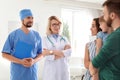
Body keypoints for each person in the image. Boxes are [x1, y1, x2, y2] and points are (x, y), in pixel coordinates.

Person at [2, 9, 43, 80]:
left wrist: (34, 61)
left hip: (32, 73)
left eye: (32, 18)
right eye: (28, 18)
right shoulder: (13, 35)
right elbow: (4, 54)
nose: (31, 20)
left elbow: (41, 54)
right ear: (22, 19)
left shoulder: (37, 35)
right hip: (17, 73)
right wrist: (20, 61)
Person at [89, 0, 120, 80]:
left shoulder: (115, 37)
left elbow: (94, 65)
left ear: (112, 15)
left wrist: (94, 72)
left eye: (104, 14)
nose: (104, 17)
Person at [42, 16, 72, 80]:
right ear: (49, 26)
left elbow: (69, 52)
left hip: (63, 70)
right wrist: (63, 53)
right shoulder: (45, 39)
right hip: (51, 72)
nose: (56, 26)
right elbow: (46, 55)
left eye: (58, 24)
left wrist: (51, 52)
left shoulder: (64, 39)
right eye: (54, 24)